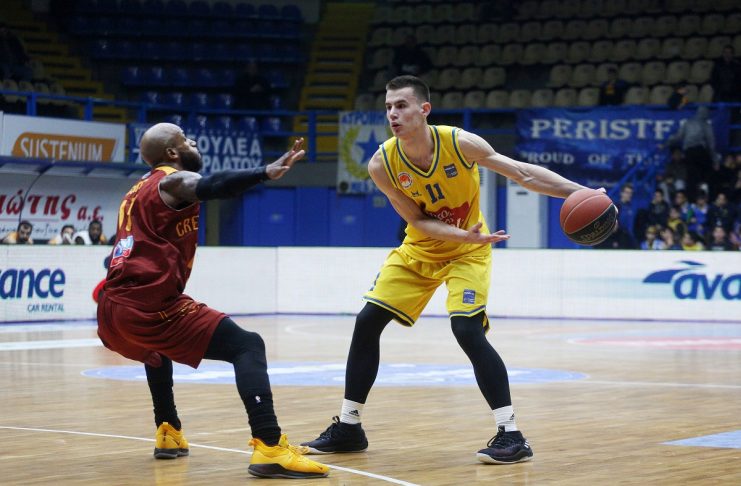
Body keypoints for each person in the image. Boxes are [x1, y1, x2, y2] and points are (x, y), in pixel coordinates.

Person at [301, 75, 589, 464]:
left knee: (466, 329)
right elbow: (418, 221)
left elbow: (523, 173)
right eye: (388, 107)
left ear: (424, 109)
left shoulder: (459, 143)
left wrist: (580, 192)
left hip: (468, 252)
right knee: (367, 321)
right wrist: (461, 233)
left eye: (401, 105)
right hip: (422, 248)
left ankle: (512, 435)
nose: (392, 114)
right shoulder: (382, 164)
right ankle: (349, 428)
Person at [96, 123, 329, 479]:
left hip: (112, 310)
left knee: (156, 349)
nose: (193, 142)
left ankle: (168, 430)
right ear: (172, 153)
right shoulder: (171, 181)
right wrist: (264, 172)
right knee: (247, 345)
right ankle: (269, 446)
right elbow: (212, 185)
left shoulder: (136, 190)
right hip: (146, 305)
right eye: (185, 139)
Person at [662, 106, 718, 200]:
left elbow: (678, 137)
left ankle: (691, 199)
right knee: (708, 175)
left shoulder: (688, 123)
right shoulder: (705, 125)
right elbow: (711, 143)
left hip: (689, 153)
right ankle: (707, 198)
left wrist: (665, 144)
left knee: (691, 177)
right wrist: (715, 160)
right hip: (700, 151)